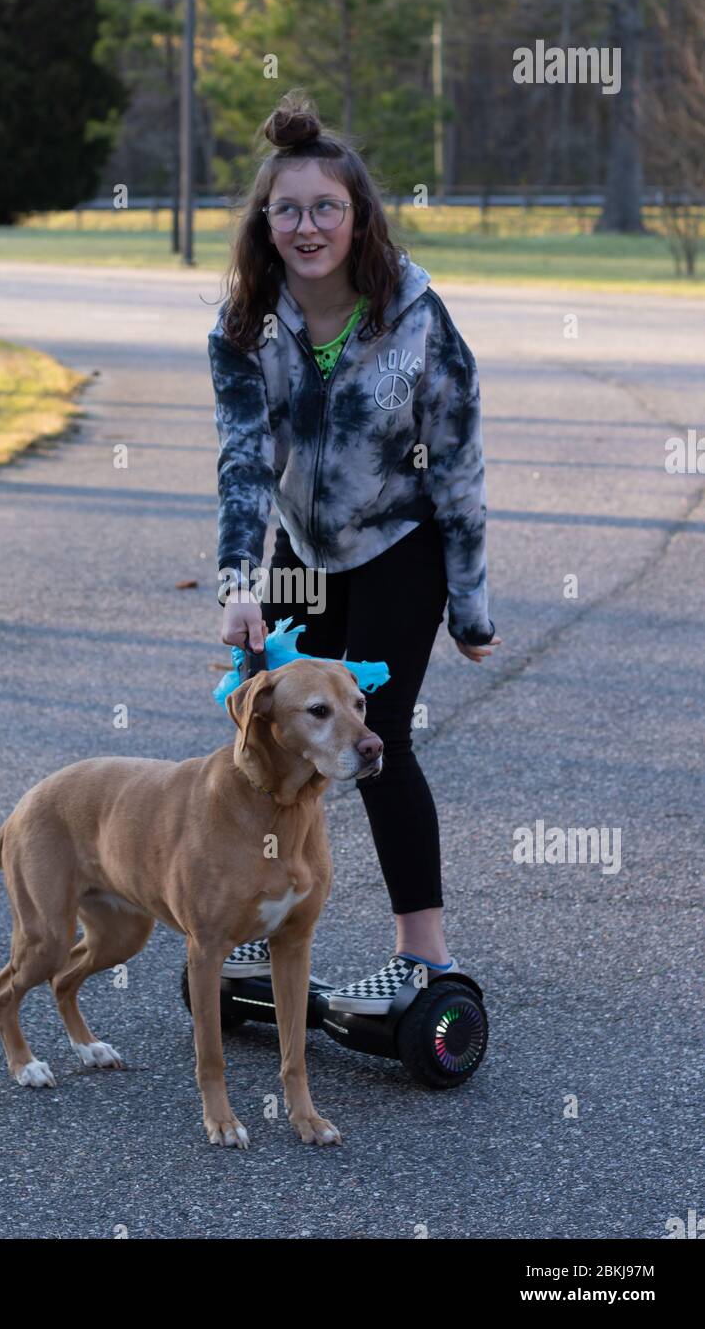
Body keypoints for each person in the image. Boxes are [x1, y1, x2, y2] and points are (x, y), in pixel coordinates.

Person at [207, 88, 501, 1014]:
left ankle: (426, 956)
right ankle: (264, 936)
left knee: (377, 743)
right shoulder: (245, 325)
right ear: (266, 222)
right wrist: (239, 582)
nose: (306, 226)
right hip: (298, 549)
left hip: (398, 547)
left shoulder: (415, 316)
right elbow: (244, 461)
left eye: (325, 207)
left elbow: (456, 464)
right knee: (275, 743)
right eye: (286, 209)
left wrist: (469, 603)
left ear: (357, 216)